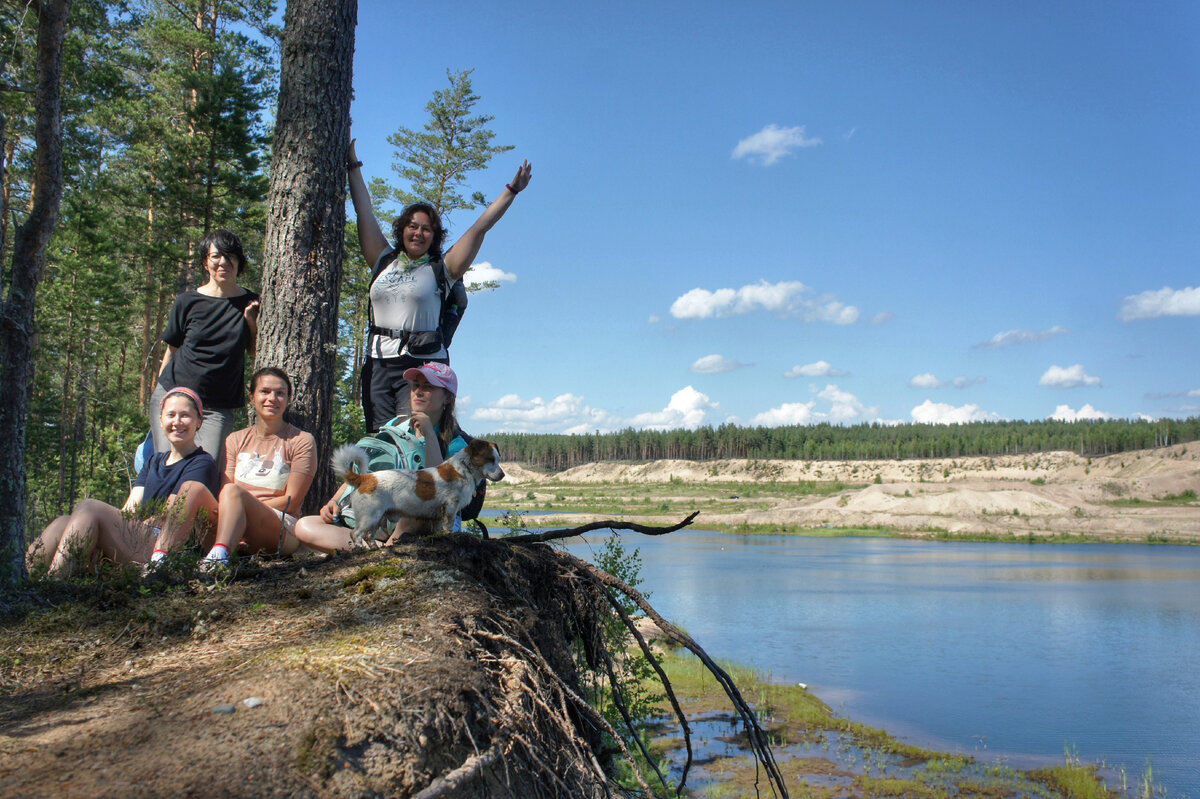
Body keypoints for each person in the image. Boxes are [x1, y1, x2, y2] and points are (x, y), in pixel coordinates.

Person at [347, 139, 532, 430]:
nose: (418, 233)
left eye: (426, 229)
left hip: (423, 367)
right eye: (413, 226)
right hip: (378, 362)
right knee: (379, 439)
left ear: (435, 235)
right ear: (402, 229)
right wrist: (353, 165)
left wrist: (512, 191)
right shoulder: (382, 260)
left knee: (412, 436)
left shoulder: (442, 269)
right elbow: (364, 211)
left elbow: (480, 227)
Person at [29, 387, 221, 577]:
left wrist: (116, 525)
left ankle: (56, 580)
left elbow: (173, 512)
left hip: (166, 546)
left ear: (198, 422)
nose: (177, 422)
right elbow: (130, 508)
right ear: (161, 420)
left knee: (90, 507)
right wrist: (105, 529)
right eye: (170, 415)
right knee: (64, 522)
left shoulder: (202, 462)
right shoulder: (154, 461)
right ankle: (22, 579)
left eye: (185, 415)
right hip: (139, 535)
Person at [294, 362, 469, 553]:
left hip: (418, 522)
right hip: (378, 513)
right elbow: (369, 470)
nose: (418, 392)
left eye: (428, 387)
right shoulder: (396, 424)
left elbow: (437, 492)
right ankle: (382, 551)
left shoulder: (457, 445)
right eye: (416, 386)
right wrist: (335, 501)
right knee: (305, 526)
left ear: (447, 398)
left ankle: (383, 551)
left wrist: (429, 433)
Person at [151, 228, 260, 465]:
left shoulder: (251, 302)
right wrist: (162, 402)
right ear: (205, 262)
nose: (223, 262)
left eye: (230, 255)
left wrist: (251, 322)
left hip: (217, 407)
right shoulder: (187, 302)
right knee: (167, 466)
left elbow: (254, 352)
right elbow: (172, 349)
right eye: (216, 256)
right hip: (175, 397)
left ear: (239, 261)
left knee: (204, 470)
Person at [200, 367, 316, 570]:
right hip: (233, 518)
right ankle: (158, 558)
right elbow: (225, 492)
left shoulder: (301, 441)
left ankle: (218, 560)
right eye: (265, 391)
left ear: (288, 399)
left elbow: (292, 501)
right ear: (252, 397)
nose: (272, 398)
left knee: (232, 493)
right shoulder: (235, 439)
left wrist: (244, 509)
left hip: (280, 526)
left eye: (280, 393)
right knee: (191, 490)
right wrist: (236, 513)